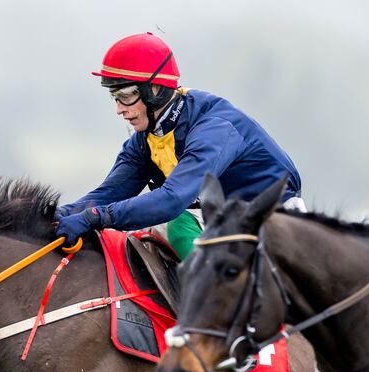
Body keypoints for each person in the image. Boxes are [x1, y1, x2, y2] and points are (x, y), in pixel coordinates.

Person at [54, 32, 305, 258]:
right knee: (150, 233)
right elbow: (108, 193)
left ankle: (218, 307)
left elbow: (172, 200)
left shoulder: (215, 129)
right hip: (220, 221)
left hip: (275, 225)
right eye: (114, 97)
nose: (119, 109)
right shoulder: (145, 138)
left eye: (126, 96)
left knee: (174, 225)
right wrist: (60, 215)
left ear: (155, 90)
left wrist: (96, 218)